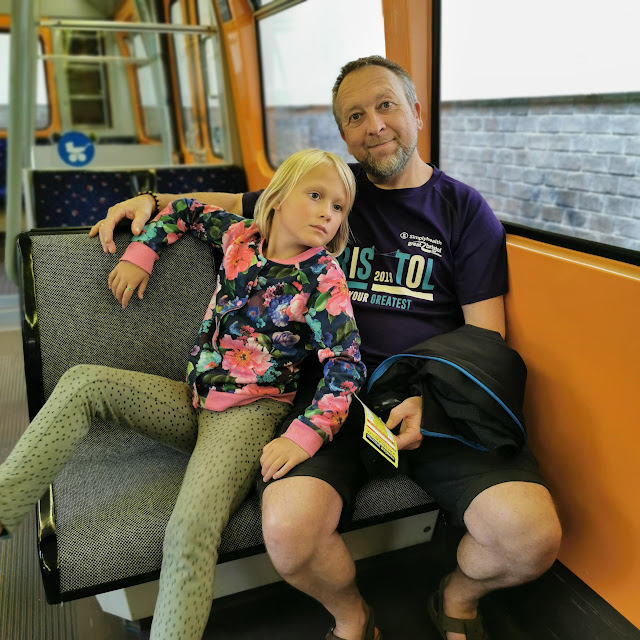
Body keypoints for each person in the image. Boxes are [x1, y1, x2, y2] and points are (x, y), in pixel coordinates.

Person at [91, 56, 562, 640]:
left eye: (386, 105)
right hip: (329, 400)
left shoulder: (463, 210)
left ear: (416, 111)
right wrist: (149, 200)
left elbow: (486, 335)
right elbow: (233, 202)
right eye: (355, 116)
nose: (374, 125)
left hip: (426, 398)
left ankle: (457, 598)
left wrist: (435, 405)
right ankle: (353, 617)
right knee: (289, 534)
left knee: (530, 538)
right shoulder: (331, 194)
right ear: (344, 134)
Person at [0, 149, 367, 640]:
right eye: (316, 195)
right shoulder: (241, 236)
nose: (327, 213)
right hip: (194, 399)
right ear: (277, 197)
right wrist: (142, 253)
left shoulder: (322, 279)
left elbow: (345, 367)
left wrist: (304, 436)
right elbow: (184, 210)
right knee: (84, 382)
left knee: (188, 533)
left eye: (339, 207)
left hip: (249, 417)